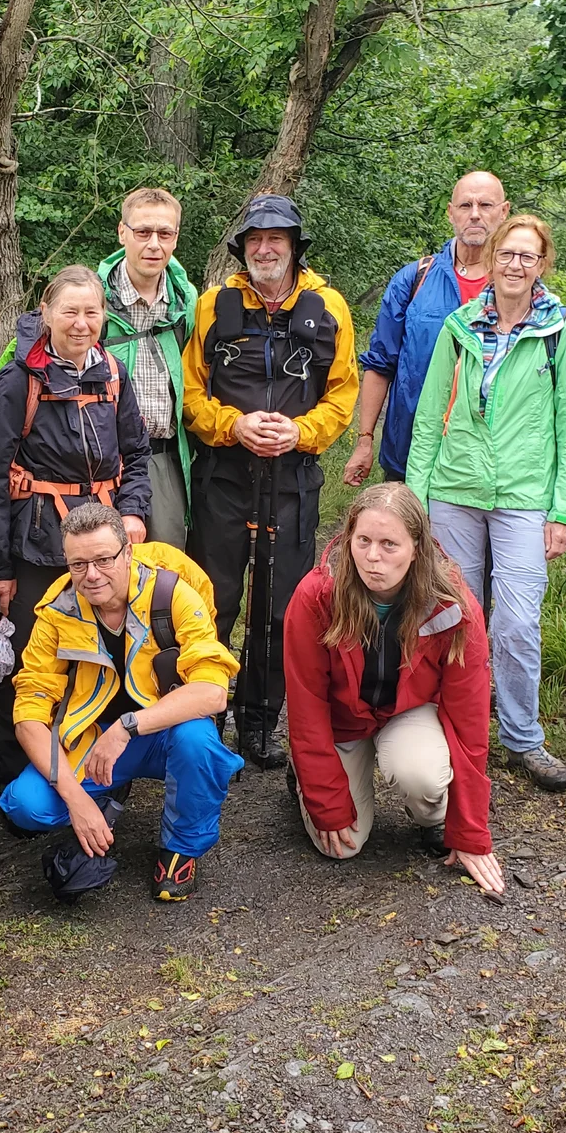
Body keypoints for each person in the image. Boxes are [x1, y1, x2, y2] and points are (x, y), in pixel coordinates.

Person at [405, 214, 566, 793]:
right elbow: (429, 417)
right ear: (492, 258)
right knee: (451, 616)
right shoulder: (459, 325)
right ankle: (454, 728)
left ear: (542, 264)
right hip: (454, 490)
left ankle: (522, 737)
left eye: (527, 256)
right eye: (507, 254)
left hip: (524, 497)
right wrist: (414, 502)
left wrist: (563, 512)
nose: (515, 265)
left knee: (516, 622)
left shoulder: (562, 332)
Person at [182, 194, 358, 769]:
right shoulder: (213, 305)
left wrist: (300, 432)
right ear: (243, 249)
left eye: (275, 239)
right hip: (224, 476)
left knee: (281, 610)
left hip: (292, 479)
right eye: (255, 240)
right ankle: (205, 720)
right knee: (213, 601)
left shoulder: (329, 307)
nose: (264, 249)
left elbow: (343, 394)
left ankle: (259, 723)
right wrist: (232, 425)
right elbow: (191, 392)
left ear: (294, 247)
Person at [0, 503, 241, 900]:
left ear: (127, 552)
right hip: (92, 738)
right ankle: (105, 789)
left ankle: (181, 847)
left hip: (163, 734)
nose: (91, 575)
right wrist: (76, 800)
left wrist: (127, 727)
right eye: (78, 565)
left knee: (198, 742)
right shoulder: (58, 610)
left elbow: (212, 692)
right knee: (25, 806)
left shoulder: (172, 594)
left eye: (103, 560)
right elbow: (29, 712)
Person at [283, 484, 505, 896]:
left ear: (417, 548)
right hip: (341, 722)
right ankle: (303, 775)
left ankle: (433, 816)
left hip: (409, 713)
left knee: (421, 775)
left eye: (389, 544)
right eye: (363, 541)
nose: (373, 557)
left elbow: (469, 721)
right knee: (342, 846)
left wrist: (469, 831)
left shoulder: (453, 605)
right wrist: (325, 800)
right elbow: (306, 705)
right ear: (349, 539)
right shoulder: (317, 596)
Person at [0, 266, 153, 784]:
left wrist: (133, 511)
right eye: (70, 311)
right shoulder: (19, 381)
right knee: (30, 660)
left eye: (91, 312)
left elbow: (136, 454)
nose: (81, 323)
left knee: (102, 651)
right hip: (37, 543)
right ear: (46, 313)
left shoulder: (113, 373)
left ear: (105, 316)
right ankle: (15, 772)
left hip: (103, 541)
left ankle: (95, 767)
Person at [347, 172, 509, 486]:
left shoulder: (518, 287)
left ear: (504, 212)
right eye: (466, 205)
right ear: (451, 212)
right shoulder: (415, 279)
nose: (475, 214)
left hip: (490, 467)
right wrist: (365, 441)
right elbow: (380, 364)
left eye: (486, 205)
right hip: (409, 456)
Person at [99, 187, 200, 546]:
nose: (154, 244)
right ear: (122, 232)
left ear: (176, 238)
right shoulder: (92, 302)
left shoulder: (186, 303)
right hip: (100, 462)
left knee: (162, 566)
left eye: (164, 233)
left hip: (163, 458)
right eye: (143, 232)